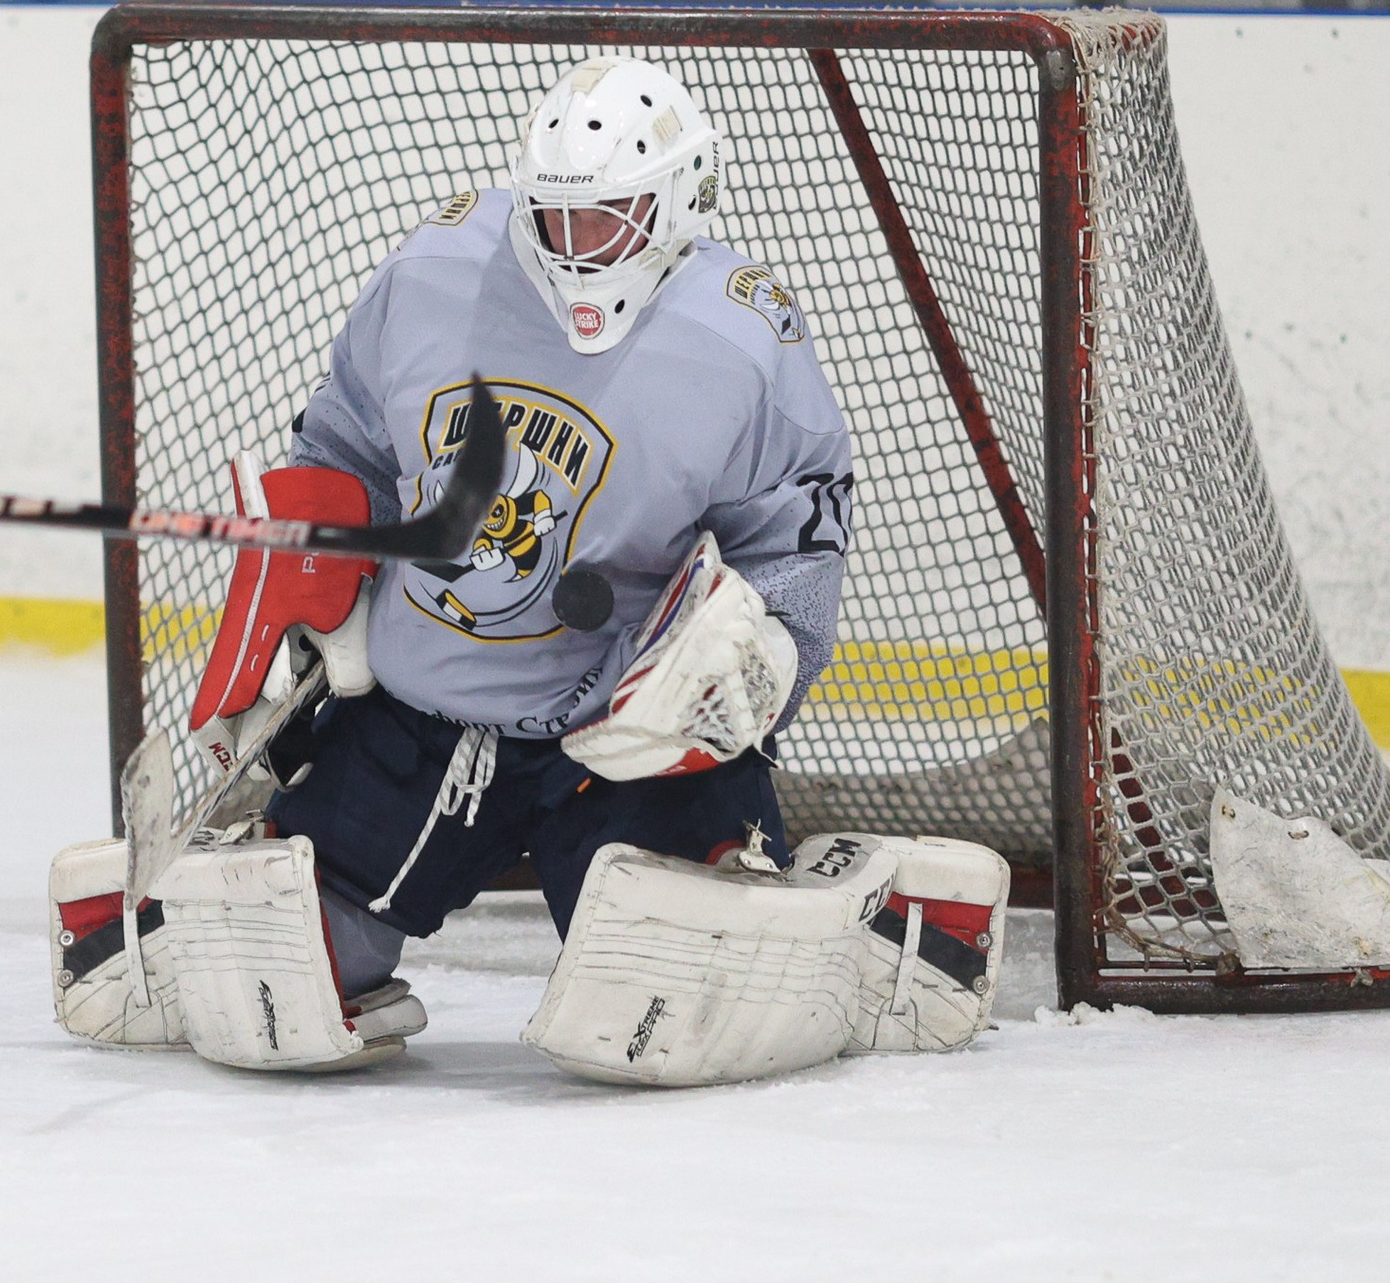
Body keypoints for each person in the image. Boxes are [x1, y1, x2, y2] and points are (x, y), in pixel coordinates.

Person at [50, 55, 1010, 1086]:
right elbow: (344, 447)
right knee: (271, 991)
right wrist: (310, 584)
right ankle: (202, 919)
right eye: (554, 215)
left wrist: (764, 650)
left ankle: (853, 924)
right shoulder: (435, 272)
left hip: (622, 745)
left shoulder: (738, 336)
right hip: (420, 723)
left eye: (610, 217)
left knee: (665, 1013)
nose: (576, 243)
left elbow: (793, 540)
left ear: (680, 200)